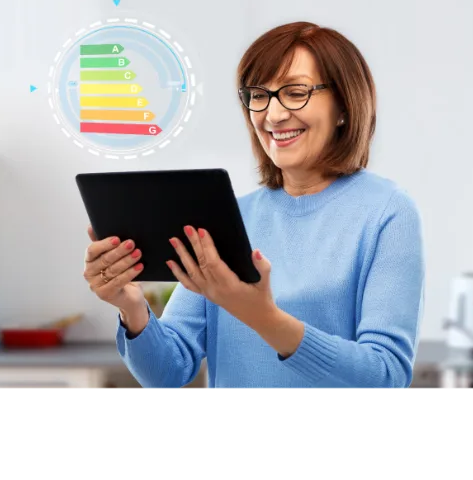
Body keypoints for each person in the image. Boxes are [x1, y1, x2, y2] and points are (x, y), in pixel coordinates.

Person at [83, 21, 425, 391]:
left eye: (295, 92)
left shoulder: (388, 213)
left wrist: (264, 319)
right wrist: (131, 307)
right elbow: (168, 373)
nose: (273, 115)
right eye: (259, 95)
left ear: (344, 105)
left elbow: (385, 376)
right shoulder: (230, 217)